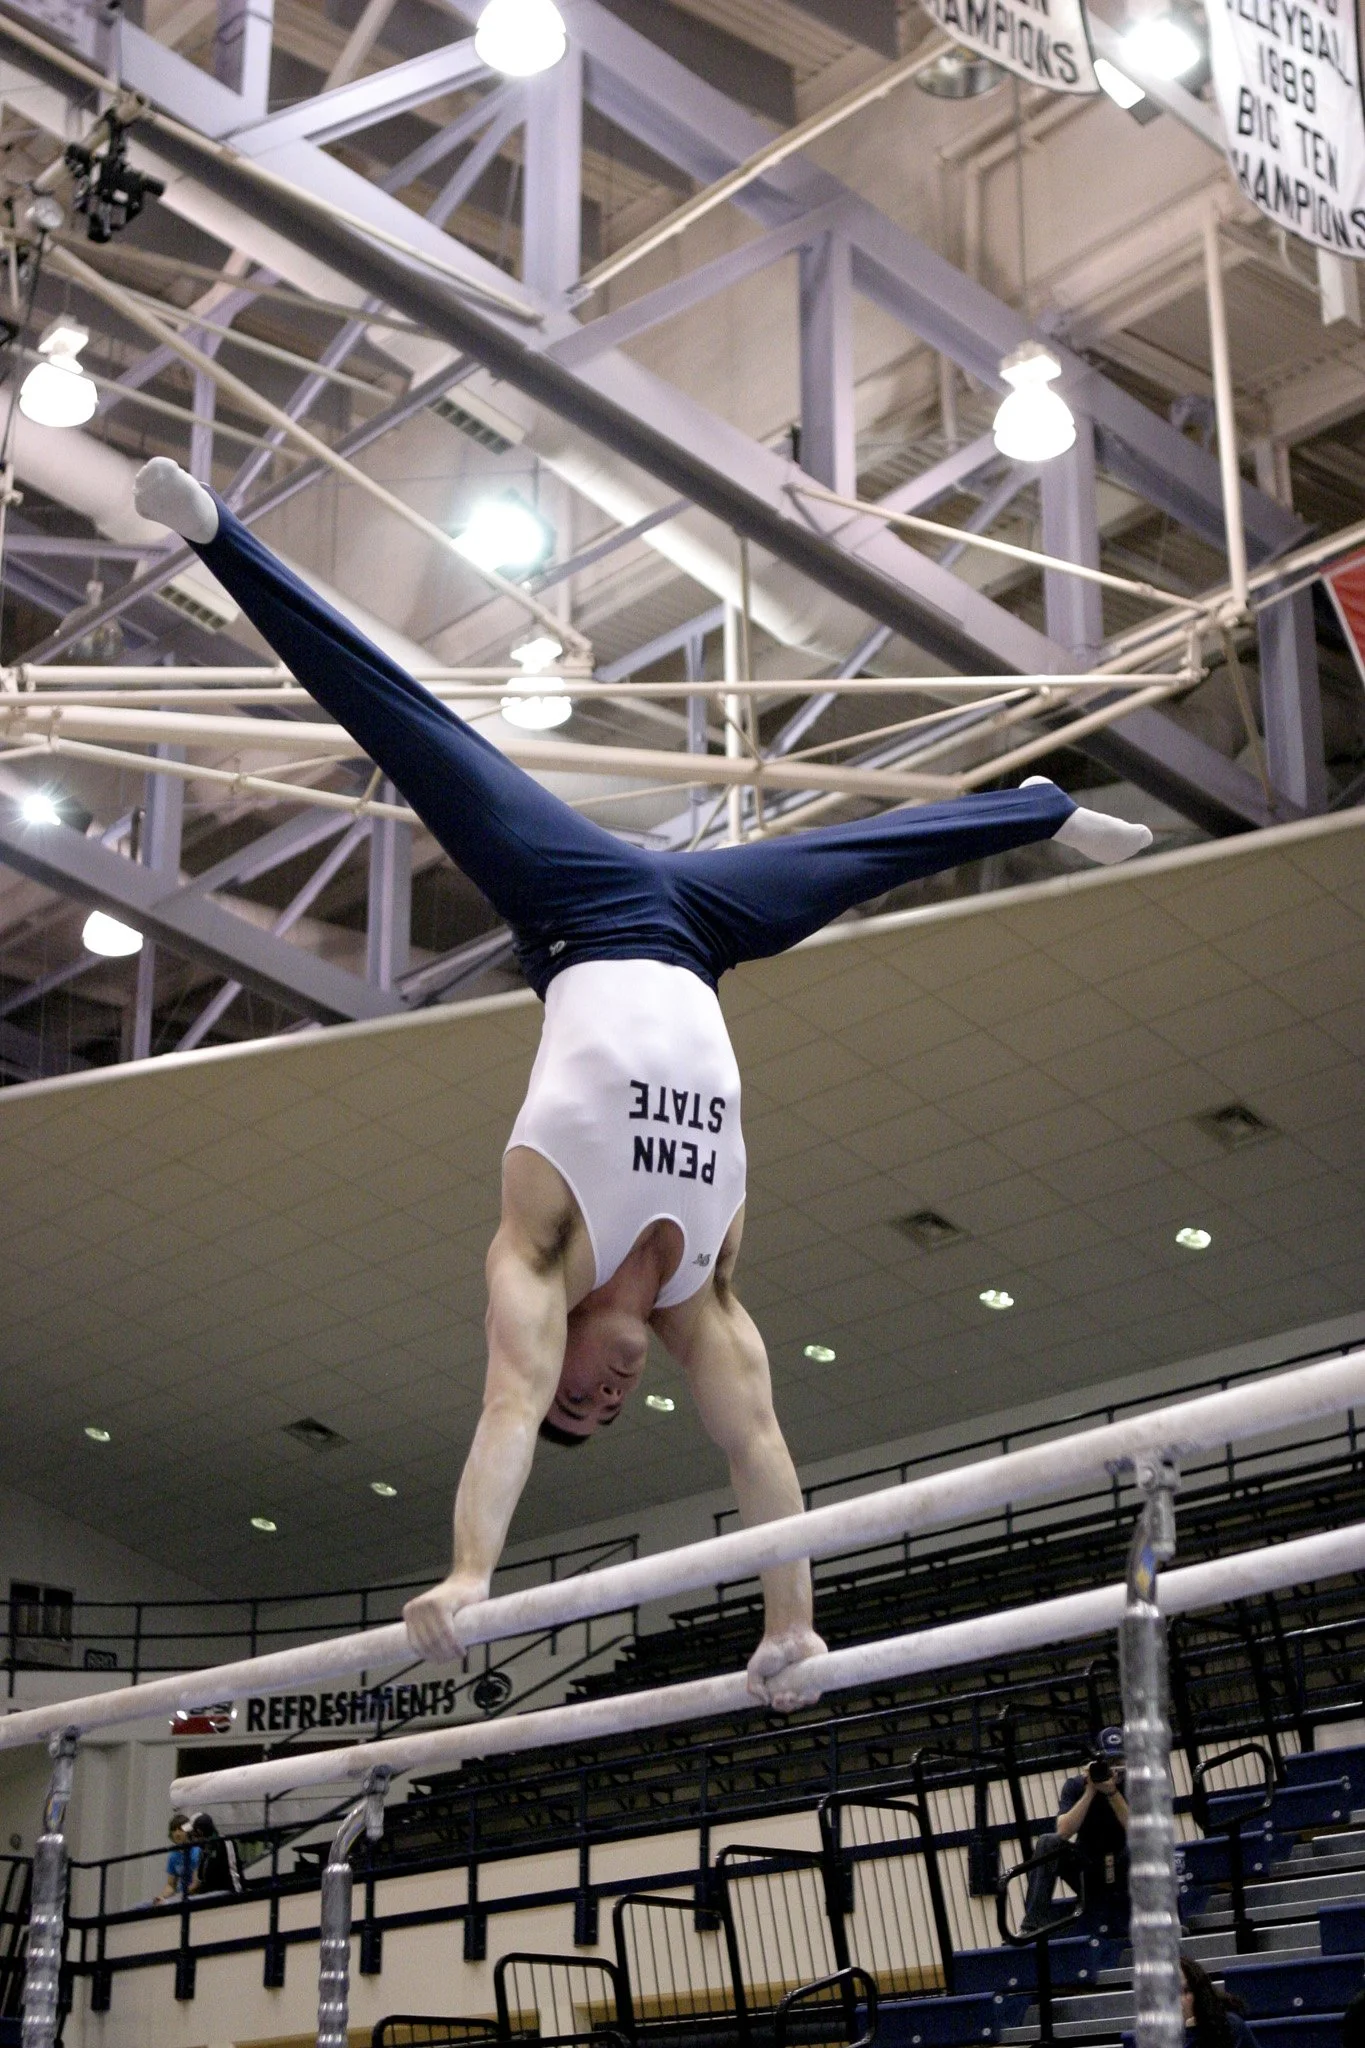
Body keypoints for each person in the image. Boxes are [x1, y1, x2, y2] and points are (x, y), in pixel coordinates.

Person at [133, 458, 1154, 1713]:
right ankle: (1043, 806)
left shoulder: (535, 1255)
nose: (605, 1394)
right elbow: (758, 1448)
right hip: (702, 937)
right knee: (862, 860)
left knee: (411, 731)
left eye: (584, 1397)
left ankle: (218, 538)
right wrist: (792, 1628)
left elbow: (508, 1404)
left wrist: (468, 1573)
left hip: (574, 909)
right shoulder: (706, 1298)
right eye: (614, 1410)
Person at [1022, 1728, 1130, 1931]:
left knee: (1142, 1845)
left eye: (1119, 1762)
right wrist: (1090, 1791)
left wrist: (1113, 1793)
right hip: (1088, 1867)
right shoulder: (1076, 1786)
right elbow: (1063, 1831)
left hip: (1125, 1863)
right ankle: (1033, 1923)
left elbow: (1137, 1830)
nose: (1113, 1769)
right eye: (1108, 1763)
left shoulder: (1136, 1784)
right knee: (1048, 1841)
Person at [1180, 1954, 1259, 2048]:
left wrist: (1192, 2035)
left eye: (1186, 1991)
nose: (1178, 2000)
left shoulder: (1229, 2027)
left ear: (1199, 1993)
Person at [188, 1812, 244, 1896]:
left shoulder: (225, 1842)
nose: (192, 1837)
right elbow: (200, 1878)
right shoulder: (203, 1849)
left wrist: (238, 1894)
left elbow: (233, 1871)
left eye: (193, 1833)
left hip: (225, 1892)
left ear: (200, 1832)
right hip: (207, 1892)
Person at [151, 1812, 200, 1905]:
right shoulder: (173, 1856)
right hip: (179, 1896)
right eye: (174, 1830)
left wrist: (176, 1898)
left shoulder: (197, 1852)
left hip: (192, 1896)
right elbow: (171, 1885)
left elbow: (195, 1884)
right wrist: (161, 1896)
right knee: (140, 1907)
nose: (177, 1833)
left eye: (181, 1829)